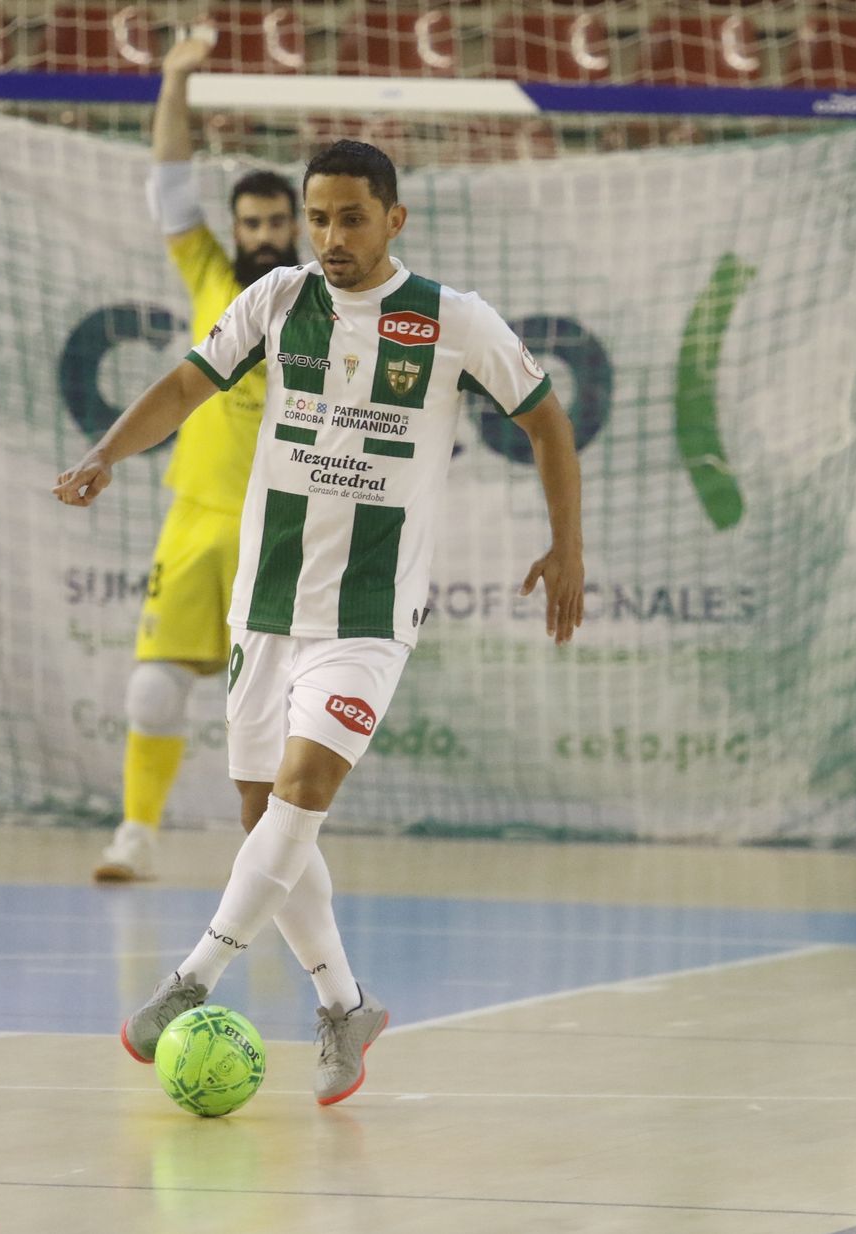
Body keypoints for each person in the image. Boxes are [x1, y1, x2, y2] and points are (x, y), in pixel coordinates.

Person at [56, 141, 584, 1105]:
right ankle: (345, 1004)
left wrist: (568, 547)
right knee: (268, 827)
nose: (332, 237)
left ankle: (192, 980)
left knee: (298, 803)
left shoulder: (453, 320)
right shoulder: (275, 301)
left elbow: (545, 418)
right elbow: (183, 386)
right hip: (265, 602)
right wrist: (106, 451)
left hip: (369, 615)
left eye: (351, 217)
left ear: (394, 220)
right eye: (319, 218)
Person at [93, 32, 301, 883]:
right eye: (249, 222)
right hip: (198, 516)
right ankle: (135, 835)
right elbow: (170, 181)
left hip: (288, 525)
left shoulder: (326, 301)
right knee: (153, 688)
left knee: (286, 707)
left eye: (275, 222)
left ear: (297, 225)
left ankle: (280, 850)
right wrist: (176, 77)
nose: (260, 234)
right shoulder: (212, 275)